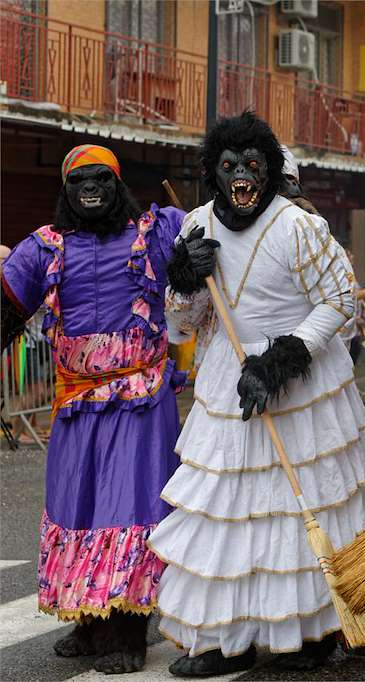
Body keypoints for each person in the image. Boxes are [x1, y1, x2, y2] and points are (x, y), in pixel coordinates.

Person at [148, 112, 365, 676]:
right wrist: (181, 279)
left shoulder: (299, 227)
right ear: (214, 173)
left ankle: (312, 632)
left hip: (300, 385)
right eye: (230, 167)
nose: (241, 176)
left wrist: (283, 358)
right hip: (227, 382)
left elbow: (340, 305)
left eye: (253, 165)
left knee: (297, 509)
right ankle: (227, 638)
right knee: (224, 511)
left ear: (270, 171)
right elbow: (180, 327)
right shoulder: (195, 225)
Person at [0, 144, 185, 674]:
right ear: (65, 189)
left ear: (118, 185)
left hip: (141, 401)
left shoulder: (156, 233)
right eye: (80, 179)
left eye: (102, 179)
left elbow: (220, 235)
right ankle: (87, 620)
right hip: (77, 404)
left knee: (131, 511)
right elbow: (7, 310)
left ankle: (128, 630)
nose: (92, 188)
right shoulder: (44, 249)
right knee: (77, 508)